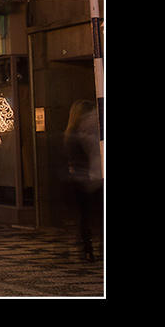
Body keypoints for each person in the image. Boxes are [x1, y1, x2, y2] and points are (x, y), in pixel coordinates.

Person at [63, 99, 102, 261]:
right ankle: (89, 248)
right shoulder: (79, 135)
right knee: (90, 216)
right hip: (86, 180)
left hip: (80, 180)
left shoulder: (71, 134)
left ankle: (88, 248)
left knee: (86, 216)